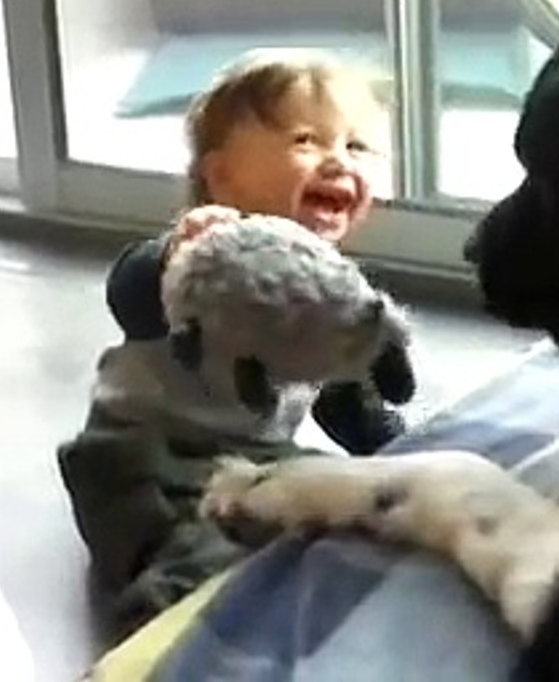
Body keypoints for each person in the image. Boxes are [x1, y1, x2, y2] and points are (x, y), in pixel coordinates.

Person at [57, 51, 405, 639]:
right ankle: (168, 629)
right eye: (305, 140)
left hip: (253, 456)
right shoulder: (200, 258)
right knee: (196, 543)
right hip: (144, 456)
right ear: (222, 177)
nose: (337, 161)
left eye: (356, 147)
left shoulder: (321, 279)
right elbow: (131, 294)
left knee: (343, 504)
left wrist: (400, 452)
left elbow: (344, 394)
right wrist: (174, 255)